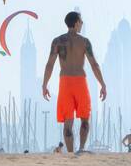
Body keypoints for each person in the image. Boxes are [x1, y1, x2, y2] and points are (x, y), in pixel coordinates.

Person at [41, 11, 107, 154]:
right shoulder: (84, 42)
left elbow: (49, 65)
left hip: (65, 82)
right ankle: (81, 149)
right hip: (80, 82)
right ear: (76, 22)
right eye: (81, 21)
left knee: (68, 122)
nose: (82, 24)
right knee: (84, 118)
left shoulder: (57, 41)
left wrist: (44, 84)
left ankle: (70, 153)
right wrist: (102, 84)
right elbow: (94, 65)